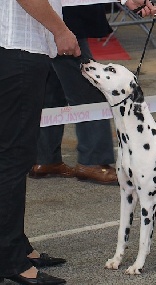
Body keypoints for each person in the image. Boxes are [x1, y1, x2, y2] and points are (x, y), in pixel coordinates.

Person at [29, 0, 156, 184]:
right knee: (89, 90)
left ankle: (45, 159)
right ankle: (94, 161)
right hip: (65, 20)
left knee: (52, 90)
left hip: (46, 17)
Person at [0, 1, 80, 284]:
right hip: (17, 50)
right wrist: (60, 30)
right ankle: (10, 260)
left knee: (15, 158)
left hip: (19, 51)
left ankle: (17, 247)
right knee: (12, 159)